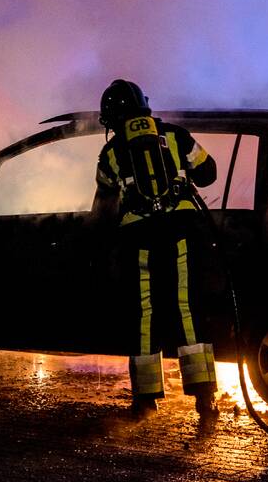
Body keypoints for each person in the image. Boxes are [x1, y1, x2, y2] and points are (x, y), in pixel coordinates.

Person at [94, 79, 220, 418]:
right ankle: (205, 398)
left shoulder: (110, 154)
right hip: (183, 232)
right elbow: (209, 174)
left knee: (144, 314)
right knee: (187, 308)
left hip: (140, 239)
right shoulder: (177, 136)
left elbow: (103, 208)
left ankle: (146, 399)